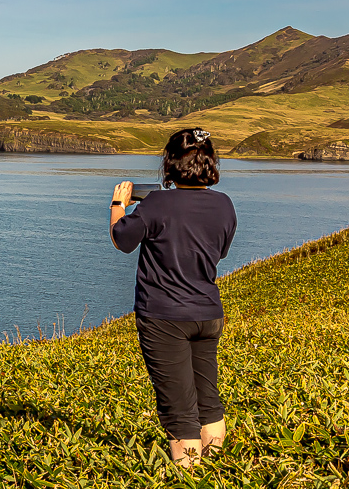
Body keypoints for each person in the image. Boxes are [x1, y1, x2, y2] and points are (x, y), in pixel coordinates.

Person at [109, 128, 237, 468]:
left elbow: (121, 239)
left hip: (165, 318)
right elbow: (219, 251)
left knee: (180, 412)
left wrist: (119, 203)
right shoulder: (224, 204)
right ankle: (216, 470)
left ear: (169, 164)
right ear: (210, 163)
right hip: (208, 313)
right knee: (208, 401)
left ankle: (189, 474)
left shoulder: (157, 203)